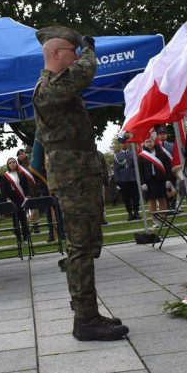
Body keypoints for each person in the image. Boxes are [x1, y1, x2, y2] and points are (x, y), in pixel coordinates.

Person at [33, 26, 128, 341]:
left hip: (81, 176)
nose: (76, 57)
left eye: (78, 52)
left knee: (87, 245)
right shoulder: (48, 87)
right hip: (73, 179)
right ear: (57, 53)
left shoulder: (61, 87)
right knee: (80, 248)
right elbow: (83, 74)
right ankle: (85, 321)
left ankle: (88, 315)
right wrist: (89, 51)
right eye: (72, 52)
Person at [0, 156, 31, 242]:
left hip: (22, 199)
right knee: (15, 221)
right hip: (12, 200)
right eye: (10, 163)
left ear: (16, 163)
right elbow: (4, 189)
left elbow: (26, 186)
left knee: (24, 220)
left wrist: (27, 195)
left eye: (13, 162)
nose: (12, 164)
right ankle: (19, 239)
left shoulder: (21, 174)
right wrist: (7, 199)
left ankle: (26, 237)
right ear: (8, 165)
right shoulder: (5, 176)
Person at [113, 136, 141, 221]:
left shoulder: (133, 153)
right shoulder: (116, 155)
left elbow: (137, 166)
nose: (124, 144)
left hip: (133, 177)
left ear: (127, 143)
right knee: (126, 198)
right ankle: (129, 214)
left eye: (125, 142)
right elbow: (115, 168)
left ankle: (136, 212)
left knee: (136, 196)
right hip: (123, 179)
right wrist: (117, 181)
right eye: (122, 143)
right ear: (120, 144)